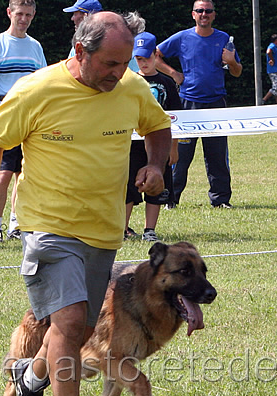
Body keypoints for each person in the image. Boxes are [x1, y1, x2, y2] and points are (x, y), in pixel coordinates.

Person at [0, 12, 172, 396]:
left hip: (103, 229)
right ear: (80, 51)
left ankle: (30, 378)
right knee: (72, 320)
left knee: (73, 333)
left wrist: (155, 166)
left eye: (125, 63)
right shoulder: (38, 89)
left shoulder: (131, 87)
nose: (119, 73)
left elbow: (157, 127)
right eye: (111, 64)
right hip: (47, 225)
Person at [155, 0, 242, 209]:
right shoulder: (182, 37)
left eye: (208, 11)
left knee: (217, 154)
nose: (204, 14)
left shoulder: (223, 39)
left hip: (216, 103)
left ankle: (221, 200)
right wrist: (174, 74)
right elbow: (155, 55)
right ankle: (171, 199)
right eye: (200, 11)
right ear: (193, 14)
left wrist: (231, 61)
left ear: (213, 15)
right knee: (180, 155)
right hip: (187, 104)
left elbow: (237, 72)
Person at [0, 0, 47, 243]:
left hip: (31, 116)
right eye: (19, 13)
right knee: (3, 172)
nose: (24, 19)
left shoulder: (36, 46)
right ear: (9, 13)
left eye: (28, 14)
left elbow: (42, 83)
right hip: (5, 113)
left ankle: (16, 223)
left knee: (24, 172)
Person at [124, 32, 180, 242]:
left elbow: (178, 118)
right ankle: (124, 227)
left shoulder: (166, 83)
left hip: (159, 143)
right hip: (133, 143)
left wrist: (173, 148)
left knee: (157, 185)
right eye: (138, 59)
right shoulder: (128, 82)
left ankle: (150, 230)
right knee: (129, 185)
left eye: (147, 58)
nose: (143, 63)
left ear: (156, 55)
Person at [63, 0, 140, 72]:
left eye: (75, 14)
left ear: (85, 16)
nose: (72, 18)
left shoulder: (116, 41)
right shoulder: (80, 43)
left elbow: (136, 70)